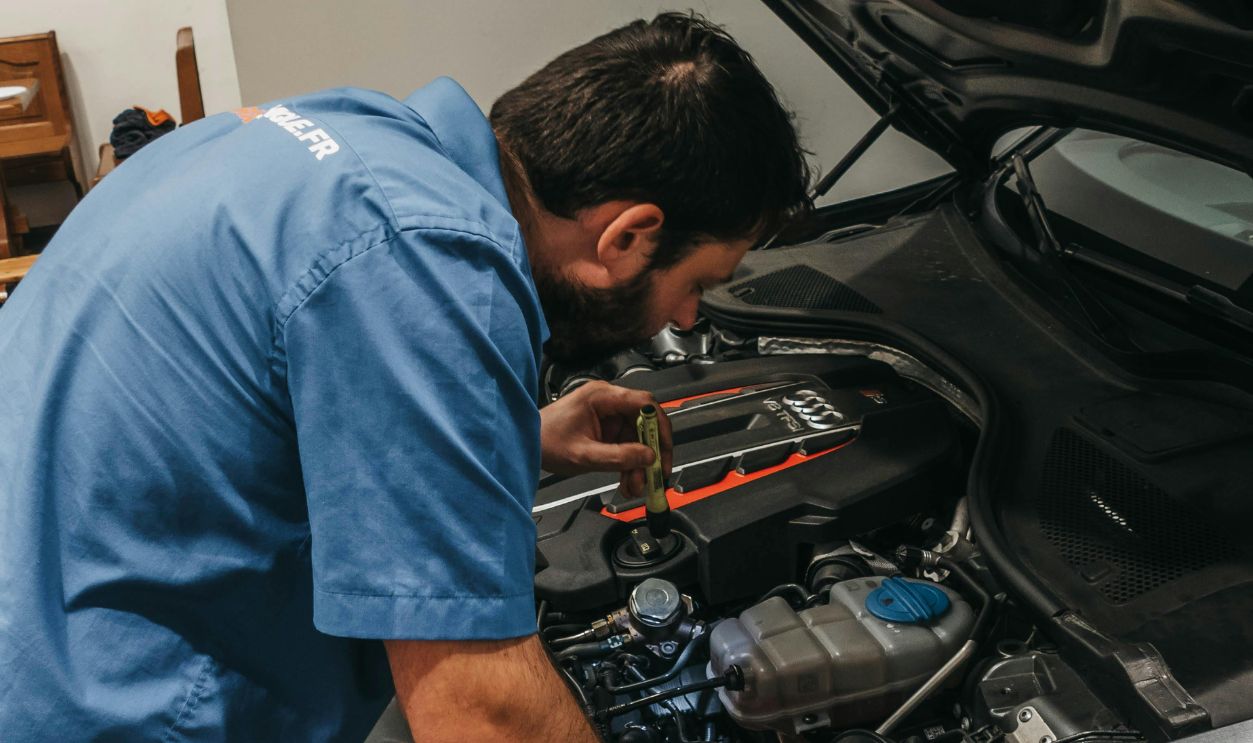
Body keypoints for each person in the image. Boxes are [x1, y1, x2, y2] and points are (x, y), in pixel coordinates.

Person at [0, 13, 809, 742]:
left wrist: (508, 438)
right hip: (102, 707)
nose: (689, 317)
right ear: (628, 237)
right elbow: (484, 716)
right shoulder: (428, 261)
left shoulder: (326, 131)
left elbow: (232, 421)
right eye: (699, 283)